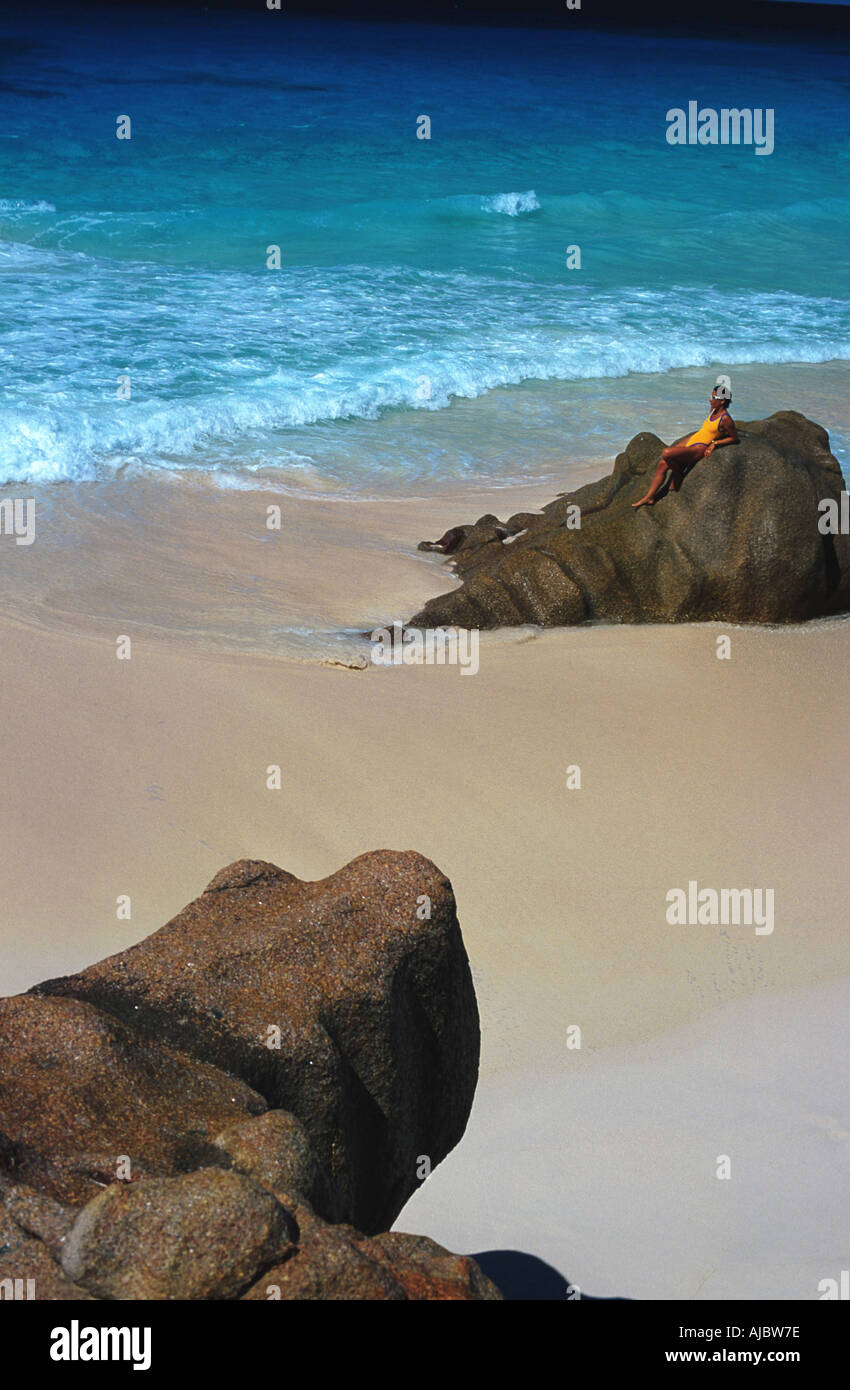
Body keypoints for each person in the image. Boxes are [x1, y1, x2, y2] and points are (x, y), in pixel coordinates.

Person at [632, 376, 739, 509]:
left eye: (713, 398)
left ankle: (678, 474)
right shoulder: (713, 410)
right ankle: (649, 497)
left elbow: (734, 438)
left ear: (722, 401)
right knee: (661, 465)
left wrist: (714, 444)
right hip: (693, 440)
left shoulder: (726, 419)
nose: (710, 399)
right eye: (711, 396)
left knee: (666, 453)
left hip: (699, 448)